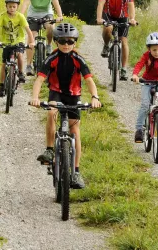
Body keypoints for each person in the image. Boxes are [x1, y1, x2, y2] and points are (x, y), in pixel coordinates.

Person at [29, 23, 101, 190]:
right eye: (62, 41)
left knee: (75, 132)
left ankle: (75, 171)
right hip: (56, 93)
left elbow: (89, 80)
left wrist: (95, 97)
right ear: (56, 42)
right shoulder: (51, 58)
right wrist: (35, 98)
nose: (66, 45)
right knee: (51, 112)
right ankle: (49, 150)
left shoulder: (78, 59)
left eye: (70, 41)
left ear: (75, 42)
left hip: (74, 96)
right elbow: (39, 79)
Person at [0, 0, 35, 97]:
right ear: (6, 6)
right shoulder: (2, 16)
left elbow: (28, 30)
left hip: (18, 40)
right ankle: (2, 87)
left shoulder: (20, 16)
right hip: (7, 42)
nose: (11, 8)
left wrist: (32, 42)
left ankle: (20, 73)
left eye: (14, 6)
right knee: (3, 64)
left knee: (19, 54)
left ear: (17, 7)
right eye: (9, 6)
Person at [20, 0, 64, 76]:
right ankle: (29, 66)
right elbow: (25, 4)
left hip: (46, 13)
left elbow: (56, 5)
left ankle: (48, 45)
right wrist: (20, 16)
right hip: (33, 14)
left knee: (50, 27)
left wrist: (60, 16)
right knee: (31, 39)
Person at [96, 0, 137, 81]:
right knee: (108, 28)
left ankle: (123, 69)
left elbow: (131, 5)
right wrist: (99, 18)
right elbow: (101, 4)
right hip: (109, 15)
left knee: (123, 41)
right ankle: (106, 45)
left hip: (123, 16)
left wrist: (132, 19)